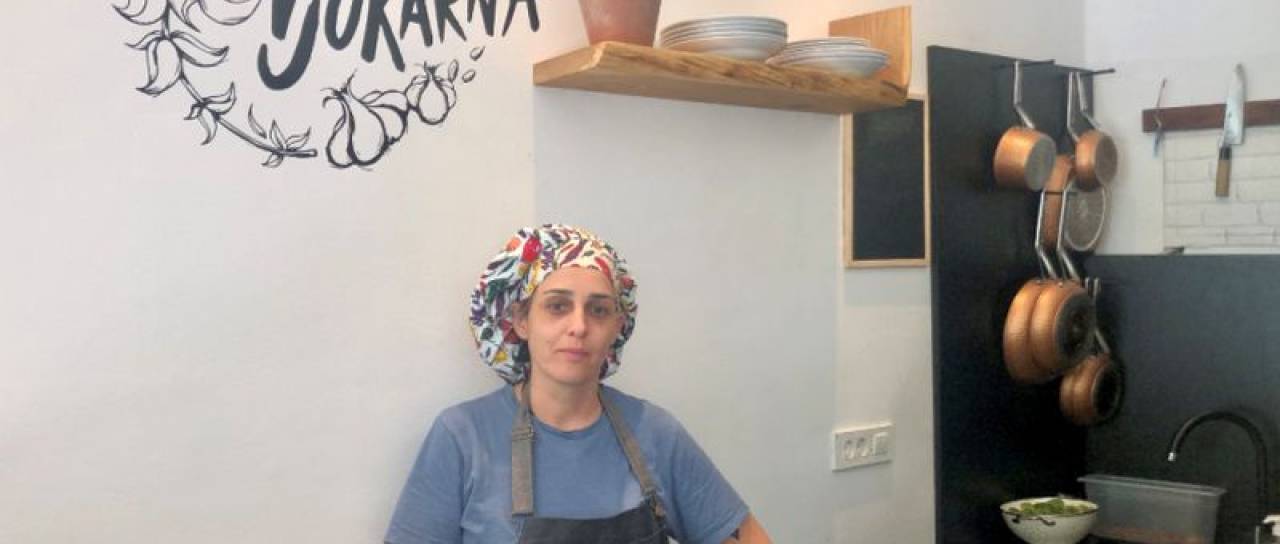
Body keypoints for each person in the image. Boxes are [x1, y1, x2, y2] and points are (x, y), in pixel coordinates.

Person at [385, 224, 770, 543]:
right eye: (557, 306)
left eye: (598, 310)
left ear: (617, 327)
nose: (579, 326)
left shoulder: (656, 433)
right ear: (522, 321)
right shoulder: (462, 437)